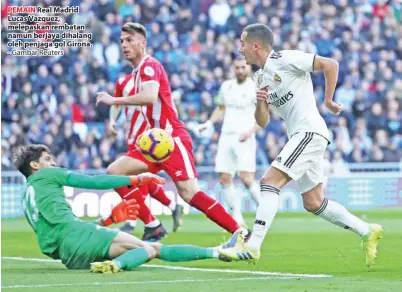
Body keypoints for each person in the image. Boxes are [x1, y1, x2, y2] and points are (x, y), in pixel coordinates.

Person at [219, 24, 383, 267]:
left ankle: (253, 246)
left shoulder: (286, 58)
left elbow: (331, 64)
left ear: (255, 46)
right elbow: (262, 122)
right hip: (299, 135)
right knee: (314, 202)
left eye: (242, 43)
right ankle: (367, 230)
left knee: (269, 181)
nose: (239, 49)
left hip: (310, 132)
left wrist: (328, 100)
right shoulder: (260, 77)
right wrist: (260, 104)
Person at [96, 22, 241, 237]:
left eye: (129, 40)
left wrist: (114, 99)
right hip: (154, 143)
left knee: (189, 193)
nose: (124, 45)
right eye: (121, 41)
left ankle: (239, 233)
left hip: (172, 139)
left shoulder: (149, 66)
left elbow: (150, 96)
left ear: (142, 43)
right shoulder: (136, 74)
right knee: (114, 172)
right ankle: (152, 224)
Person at [14, 144, 223, 273]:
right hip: (78, 237)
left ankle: (218, 252)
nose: (53, 163)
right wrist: (137, 178)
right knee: (147, 249)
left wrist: (105, 221)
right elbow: (94, 181)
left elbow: (57, 232)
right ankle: (116, 266)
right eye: (48, 159)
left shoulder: (25, 196)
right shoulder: (48, 175)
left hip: (69, 255)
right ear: (35, 165)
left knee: (151, 248)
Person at [199, 55, 260, 226]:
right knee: (224, 177)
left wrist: (251, 131)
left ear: (249, 67)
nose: (240, 71)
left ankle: (263, 210)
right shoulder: (226, 86)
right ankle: (237, 217)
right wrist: (209, 123)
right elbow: (221, 108)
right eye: (237, 68)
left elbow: (264, 115)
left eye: (243, 67)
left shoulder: (256, 87)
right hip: (226, 136)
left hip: (245, 137)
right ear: (233, 68)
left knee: (246, 178)